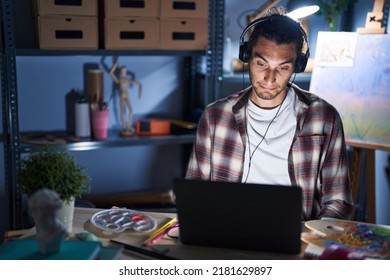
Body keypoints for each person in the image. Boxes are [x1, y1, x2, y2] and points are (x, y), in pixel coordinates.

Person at [185, 12, 354, 221]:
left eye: (283, 67)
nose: (270, 78)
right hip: (228, 236)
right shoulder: (215, 117)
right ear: (247, 56)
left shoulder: (323, 118)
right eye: (261, 64)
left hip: (298, 239)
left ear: (297, 66)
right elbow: (195, 194)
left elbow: (340, 201)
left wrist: (311, 237)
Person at [109, 58, 142, 136]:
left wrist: (139, 93)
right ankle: (124, 127)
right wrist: (116, 64)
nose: (124, 72)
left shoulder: (127, 79)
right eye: (122, 71)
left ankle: (129, 126)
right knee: (122, 112)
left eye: (125, 71)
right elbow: (111, 73)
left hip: (127, 95)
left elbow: (139, 83)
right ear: (121, 71)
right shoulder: (119, 80)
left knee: (131, 110)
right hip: (122, 96)